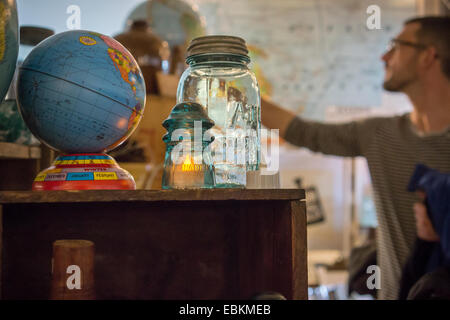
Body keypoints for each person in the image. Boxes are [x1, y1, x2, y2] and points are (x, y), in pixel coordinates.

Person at [261, 16, 450, 300]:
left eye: (396, 46)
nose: (384, 56)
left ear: (429, 56)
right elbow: (303, 132)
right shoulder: (379, 134)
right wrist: (235, 89)